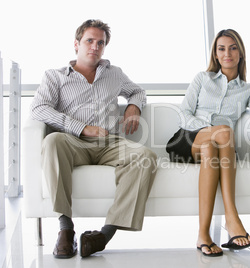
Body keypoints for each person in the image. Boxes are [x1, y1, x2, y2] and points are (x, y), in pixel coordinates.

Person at [30, 19, 157, 258]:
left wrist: (133, 107)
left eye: (101, 43)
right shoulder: (55, 76)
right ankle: (65, 229)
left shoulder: (114, 74)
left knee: (145, 156)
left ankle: (103, 236)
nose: (95, 47)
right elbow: (39, 109)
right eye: (90, 41)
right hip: (73, 142)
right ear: (76, 44)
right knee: (52, 142)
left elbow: (138, 91)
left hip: (110, 143)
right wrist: (82, 127)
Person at [166, 29, 250, 257]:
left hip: (216, 149)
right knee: (223, 133)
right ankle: (232, 218)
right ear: (215, 54)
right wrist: (210, 130)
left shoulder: (249, 90)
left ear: (241, 53)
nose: (227, 53)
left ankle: (203, 235)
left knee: (213, 146)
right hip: (188, 139)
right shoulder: (202, 79)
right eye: (222, 48)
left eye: (233, 48)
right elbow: (183, 114)